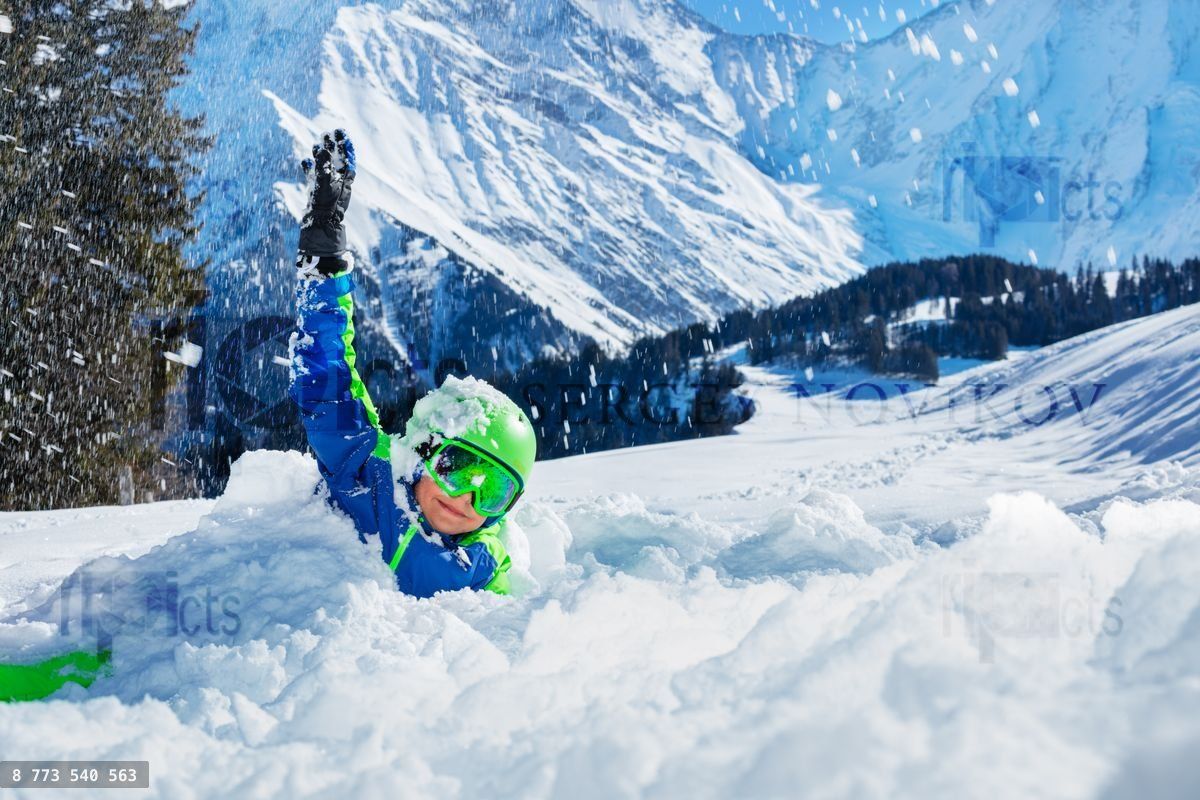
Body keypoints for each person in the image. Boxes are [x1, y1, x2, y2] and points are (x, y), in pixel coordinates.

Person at [288, 130, 536, 598]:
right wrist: (323, 259)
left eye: (494, 491)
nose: (467, 498)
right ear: (424, 448)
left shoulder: (483, 565)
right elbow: (325, 378)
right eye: (458, 466)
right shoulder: (366, 474)